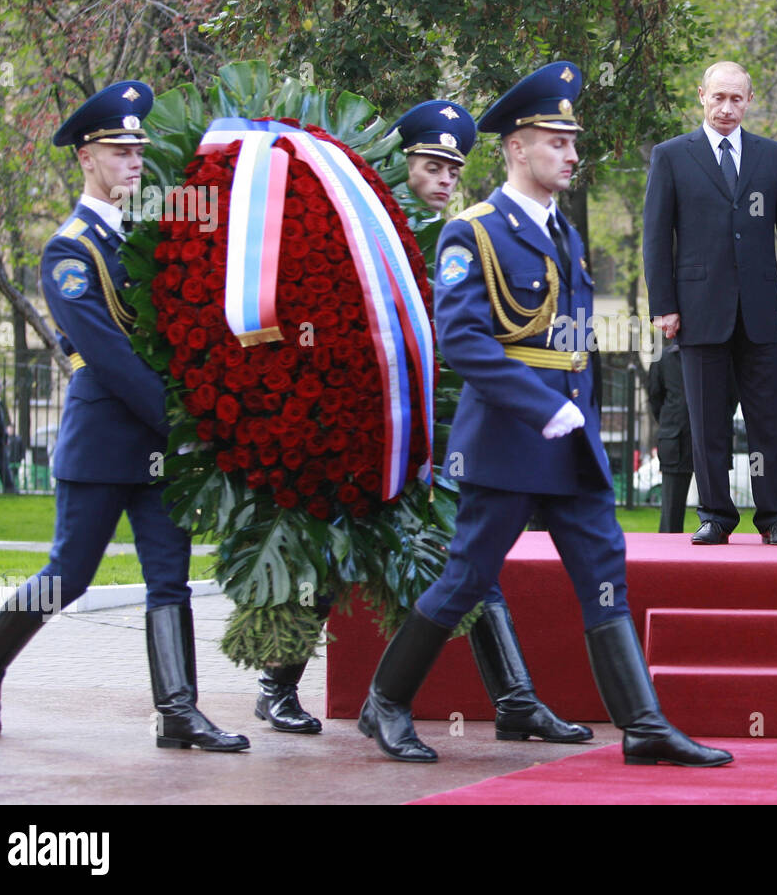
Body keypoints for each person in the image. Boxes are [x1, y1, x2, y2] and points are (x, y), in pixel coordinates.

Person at [357, 63, 730, 767]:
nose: (570, 154)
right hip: (506, 440)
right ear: (517, 148)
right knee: (468, 574)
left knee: (603, 567)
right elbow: (463, 340)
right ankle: (386, 702)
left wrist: (575, 417)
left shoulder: (563, 232)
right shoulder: (475, 232)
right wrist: (540, 408)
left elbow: (573, 344)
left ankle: (644, 725)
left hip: (570, 440)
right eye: (556, 142)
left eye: (572, 142)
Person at [252, 100, 591, 747]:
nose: (442, 179)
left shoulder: (460, 235)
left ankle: (515, 700)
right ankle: (277, 684)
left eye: (452, 169)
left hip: (435, 432)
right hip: (362, 425)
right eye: (430, 165)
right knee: (336, 547)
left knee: (473, 559)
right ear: (398, 164)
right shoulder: (358, 230)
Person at [0, 82, 248, 750]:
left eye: (138, 151)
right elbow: (109, 355)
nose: (134, 162)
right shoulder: (68, 251)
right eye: (120, 151)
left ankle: (178, 710)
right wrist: (182, 419)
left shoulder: (158, 237)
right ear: (87, 158)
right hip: (106, 437)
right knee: (68, 574)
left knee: (168, 573)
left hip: (161, 440)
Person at [642, 61, 777, 546]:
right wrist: (664, 306)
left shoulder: (773, 157)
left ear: (750, 100)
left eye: (737, 99)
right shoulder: (671, 156)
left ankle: (775, 516)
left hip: (761, 313)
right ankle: (715, 515)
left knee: (769, 421)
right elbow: (656, 238)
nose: (727, 107)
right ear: (702, 96)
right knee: (707, 421)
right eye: (719, 98)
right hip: (696, 312)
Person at [646, 338, 693, 533]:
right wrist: (671, 421)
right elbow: (655, 398)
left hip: (711, 437)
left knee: (717, 513)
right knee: (671, 511)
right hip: (676, 438)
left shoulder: (719, 355)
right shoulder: (663, 358)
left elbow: (730, 396)